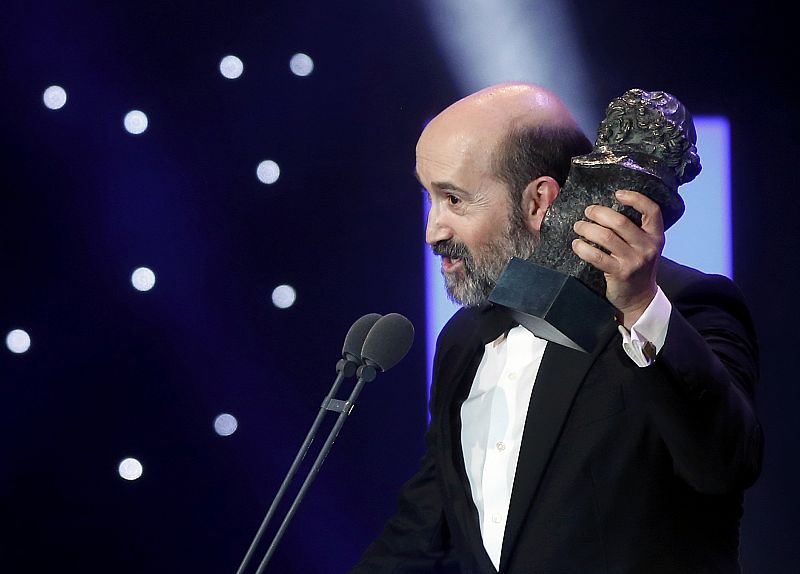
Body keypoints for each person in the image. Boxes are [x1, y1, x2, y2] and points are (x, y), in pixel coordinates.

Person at [350, 83, 763, 573]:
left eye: (455, 200)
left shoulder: (684, 305)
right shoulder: (464, 339)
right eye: (430, 198)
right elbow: (420, 534)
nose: (433, 230)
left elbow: (724, 464)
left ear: (539, 201)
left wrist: (637, 306)